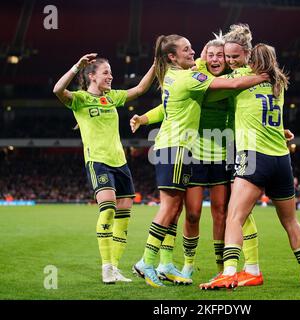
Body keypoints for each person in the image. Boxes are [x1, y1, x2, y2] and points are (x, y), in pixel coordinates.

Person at [131, 34, 270, 288]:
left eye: (221, 55)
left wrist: (273, 128)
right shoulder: (194, 77)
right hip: (186, 149)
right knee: (184, 211)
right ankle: (160, 262)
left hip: (219, 151)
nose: (212, 57)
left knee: (210, 212)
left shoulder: (180, 75)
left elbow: (246, 108)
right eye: (207, 53)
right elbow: (228, 86)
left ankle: (193, 266)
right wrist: (260, 76)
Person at [200, 38, 300, 289]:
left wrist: (207, 59)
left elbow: (210, 83)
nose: (228, 61)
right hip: (282, 159)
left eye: (233, 56)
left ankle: (229, 272)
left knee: (234, 217)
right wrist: (283, 131)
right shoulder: (278, 83)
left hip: (253, 156)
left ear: (248, 56)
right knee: (291, 221)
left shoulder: (240, 78)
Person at [53, 53, 155, 284]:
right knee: (107, 210)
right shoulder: (79, 99)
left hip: (120, 162)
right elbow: (58, 90)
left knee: (124, 215)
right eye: (106, 72)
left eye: (111, 72)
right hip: (98, 161)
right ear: (91, 76)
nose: (111, 76)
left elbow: (139, 89)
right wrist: (75, 65)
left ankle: (116, 267)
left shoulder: (112, 98)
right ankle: (106, 267)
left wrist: (156, 64)